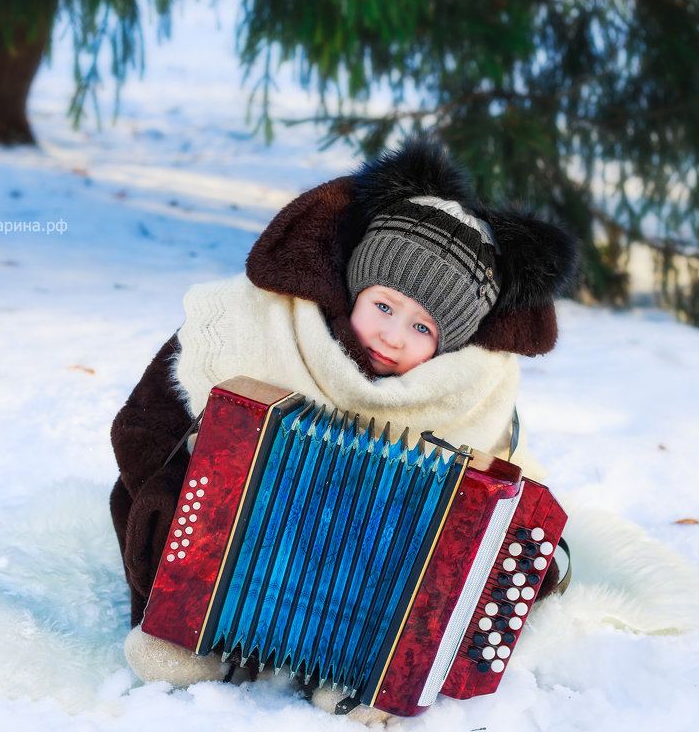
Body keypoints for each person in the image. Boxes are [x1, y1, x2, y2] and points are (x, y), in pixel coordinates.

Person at [109, 139, 577, 720]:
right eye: (383, 306)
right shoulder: (256, 326)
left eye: (423, 328)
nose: (393, 336)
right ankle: (187, 636)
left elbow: (516, 489)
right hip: (228, 557)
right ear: (357, 287)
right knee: (161, 501)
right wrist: (187, 479)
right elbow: (144, 424)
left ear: (449, 342)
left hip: (368, 602)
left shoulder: (472, 399)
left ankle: (364, 674)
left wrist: (531, 557)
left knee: (447, 567)